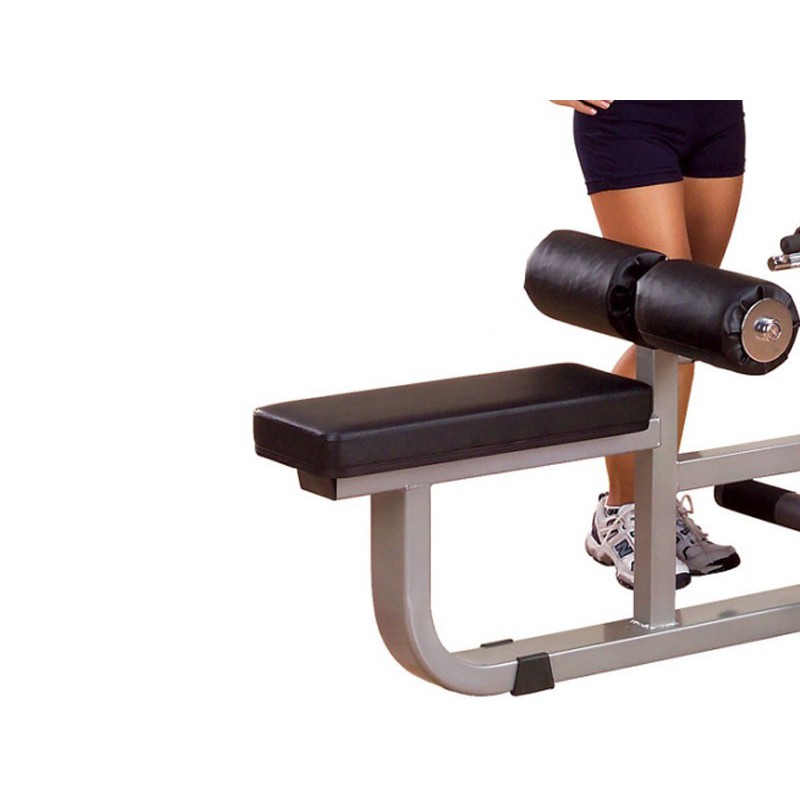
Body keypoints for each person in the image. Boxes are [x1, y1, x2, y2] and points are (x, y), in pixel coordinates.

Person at [551, 100, 745, 590]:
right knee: (666, 326)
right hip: (631, 117)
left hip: (717, 113)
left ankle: (655, 505)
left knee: (694, 330)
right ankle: (623, 511)